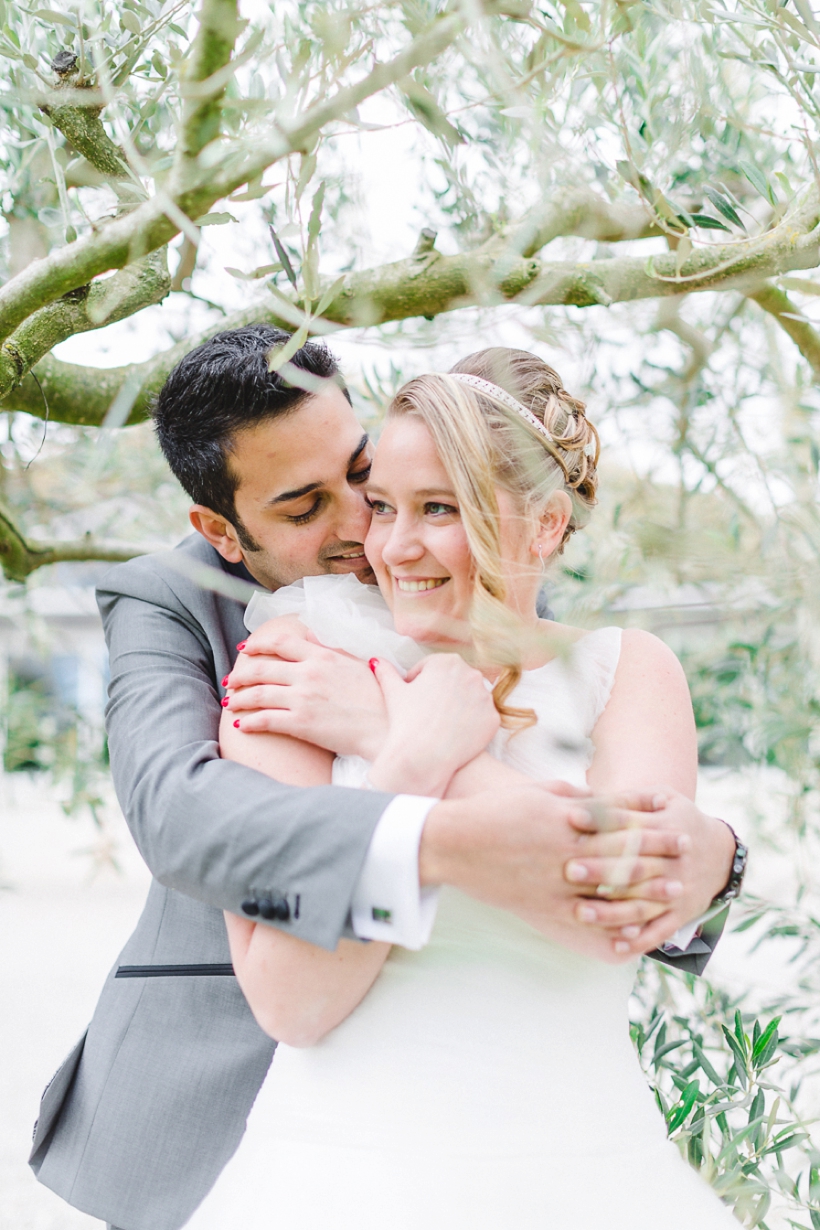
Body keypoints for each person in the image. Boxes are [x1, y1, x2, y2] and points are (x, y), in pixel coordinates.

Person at [29, 328, 739, 1230]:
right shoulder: (283, 655)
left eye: (403, 496)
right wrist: (407, 759)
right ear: (223, 529)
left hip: (578, 1148)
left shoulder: (613, 664)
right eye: (308, 507)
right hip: (310, 1127)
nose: (378, 538)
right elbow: (182, 823)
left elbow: (627, 906)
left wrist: (392, 732)